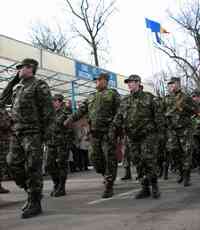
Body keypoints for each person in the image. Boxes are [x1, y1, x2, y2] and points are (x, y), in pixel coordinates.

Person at [3, 58, 54, 219]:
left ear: (30, 68)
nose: (18, 70)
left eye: (21, 67)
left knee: (33, 167)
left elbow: (48, 111)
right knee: (12, 164)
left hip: (33, 133)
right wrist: (13, 80)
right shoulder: (17, 87)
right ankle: (32, 193)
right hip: (17, 133)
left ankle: (35, 202)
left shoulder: (39, 85)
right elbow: (2, 100)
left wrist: (46, 135)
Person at [64, 72, 120, 198]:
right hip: (94, 133)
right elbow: (81, 110)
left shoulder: (112, 94)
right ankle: (105, 174)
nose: (96, 82)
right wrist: (70, 120)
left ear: (105, 81)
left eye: (98, 80)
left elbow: (120, 112)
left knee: (109, 157)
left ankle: (109, 185)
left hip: (108, 132)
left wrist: (115, 127)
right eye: (95, 81)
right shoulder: (91, 97)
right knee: (95, 158)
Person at [110, 74, 165, 199]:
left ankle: (155, 186)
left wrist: (161, 135)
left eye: (131, 82)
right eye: (128, 82)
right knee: (138, 162)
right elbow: (118, 117)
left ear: (138, 83)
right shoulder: (125, 100)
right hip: (132, 137)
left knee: (149, 160)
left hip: (148, 136)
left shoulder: (149, 98)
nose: (129, 84)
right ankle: (144, 188)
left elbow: (159, 118)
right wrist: (113, 130)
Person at [164, 77, 199, 186]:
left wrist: (184, 107)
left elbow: (196, 110)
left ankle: (186, 176)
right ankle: (180, 171)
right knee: (173, 150)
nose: (170, 86)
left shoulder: (185, 97)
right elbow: (162, 112)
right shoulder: (167, 99)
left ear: (178, 84)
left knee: (186, 152)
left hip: (185, 129)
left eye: (172, 84)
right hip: (172, 130)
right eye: (169, 85)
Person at [46, 94, 71, 197]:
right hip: (51, 142)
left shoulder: (66, 112)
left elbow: (60, 124)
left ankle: (61, 187)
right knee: (49, 164)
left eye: (54, 101)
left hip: (62, 143)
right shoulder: (50, 112)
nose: (52, 102)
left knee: (62, 165)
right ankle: (56, 183)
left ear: (59, 101)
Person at [0, 105, 12, 193]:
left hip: (3, 140)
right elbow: (4, 124)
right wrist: (11, 122)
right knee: (1, 163)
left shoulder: (3, 111)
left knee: (2, 163)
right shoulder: (2, 111)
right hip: (2, 140)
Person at [191, 89, 200, 171]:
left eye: (195, 96)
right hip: (194, 132)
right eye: (193, 97)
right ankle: (196, 165)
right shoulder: (192, 107)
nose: (194, 98)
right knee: (195, 149)